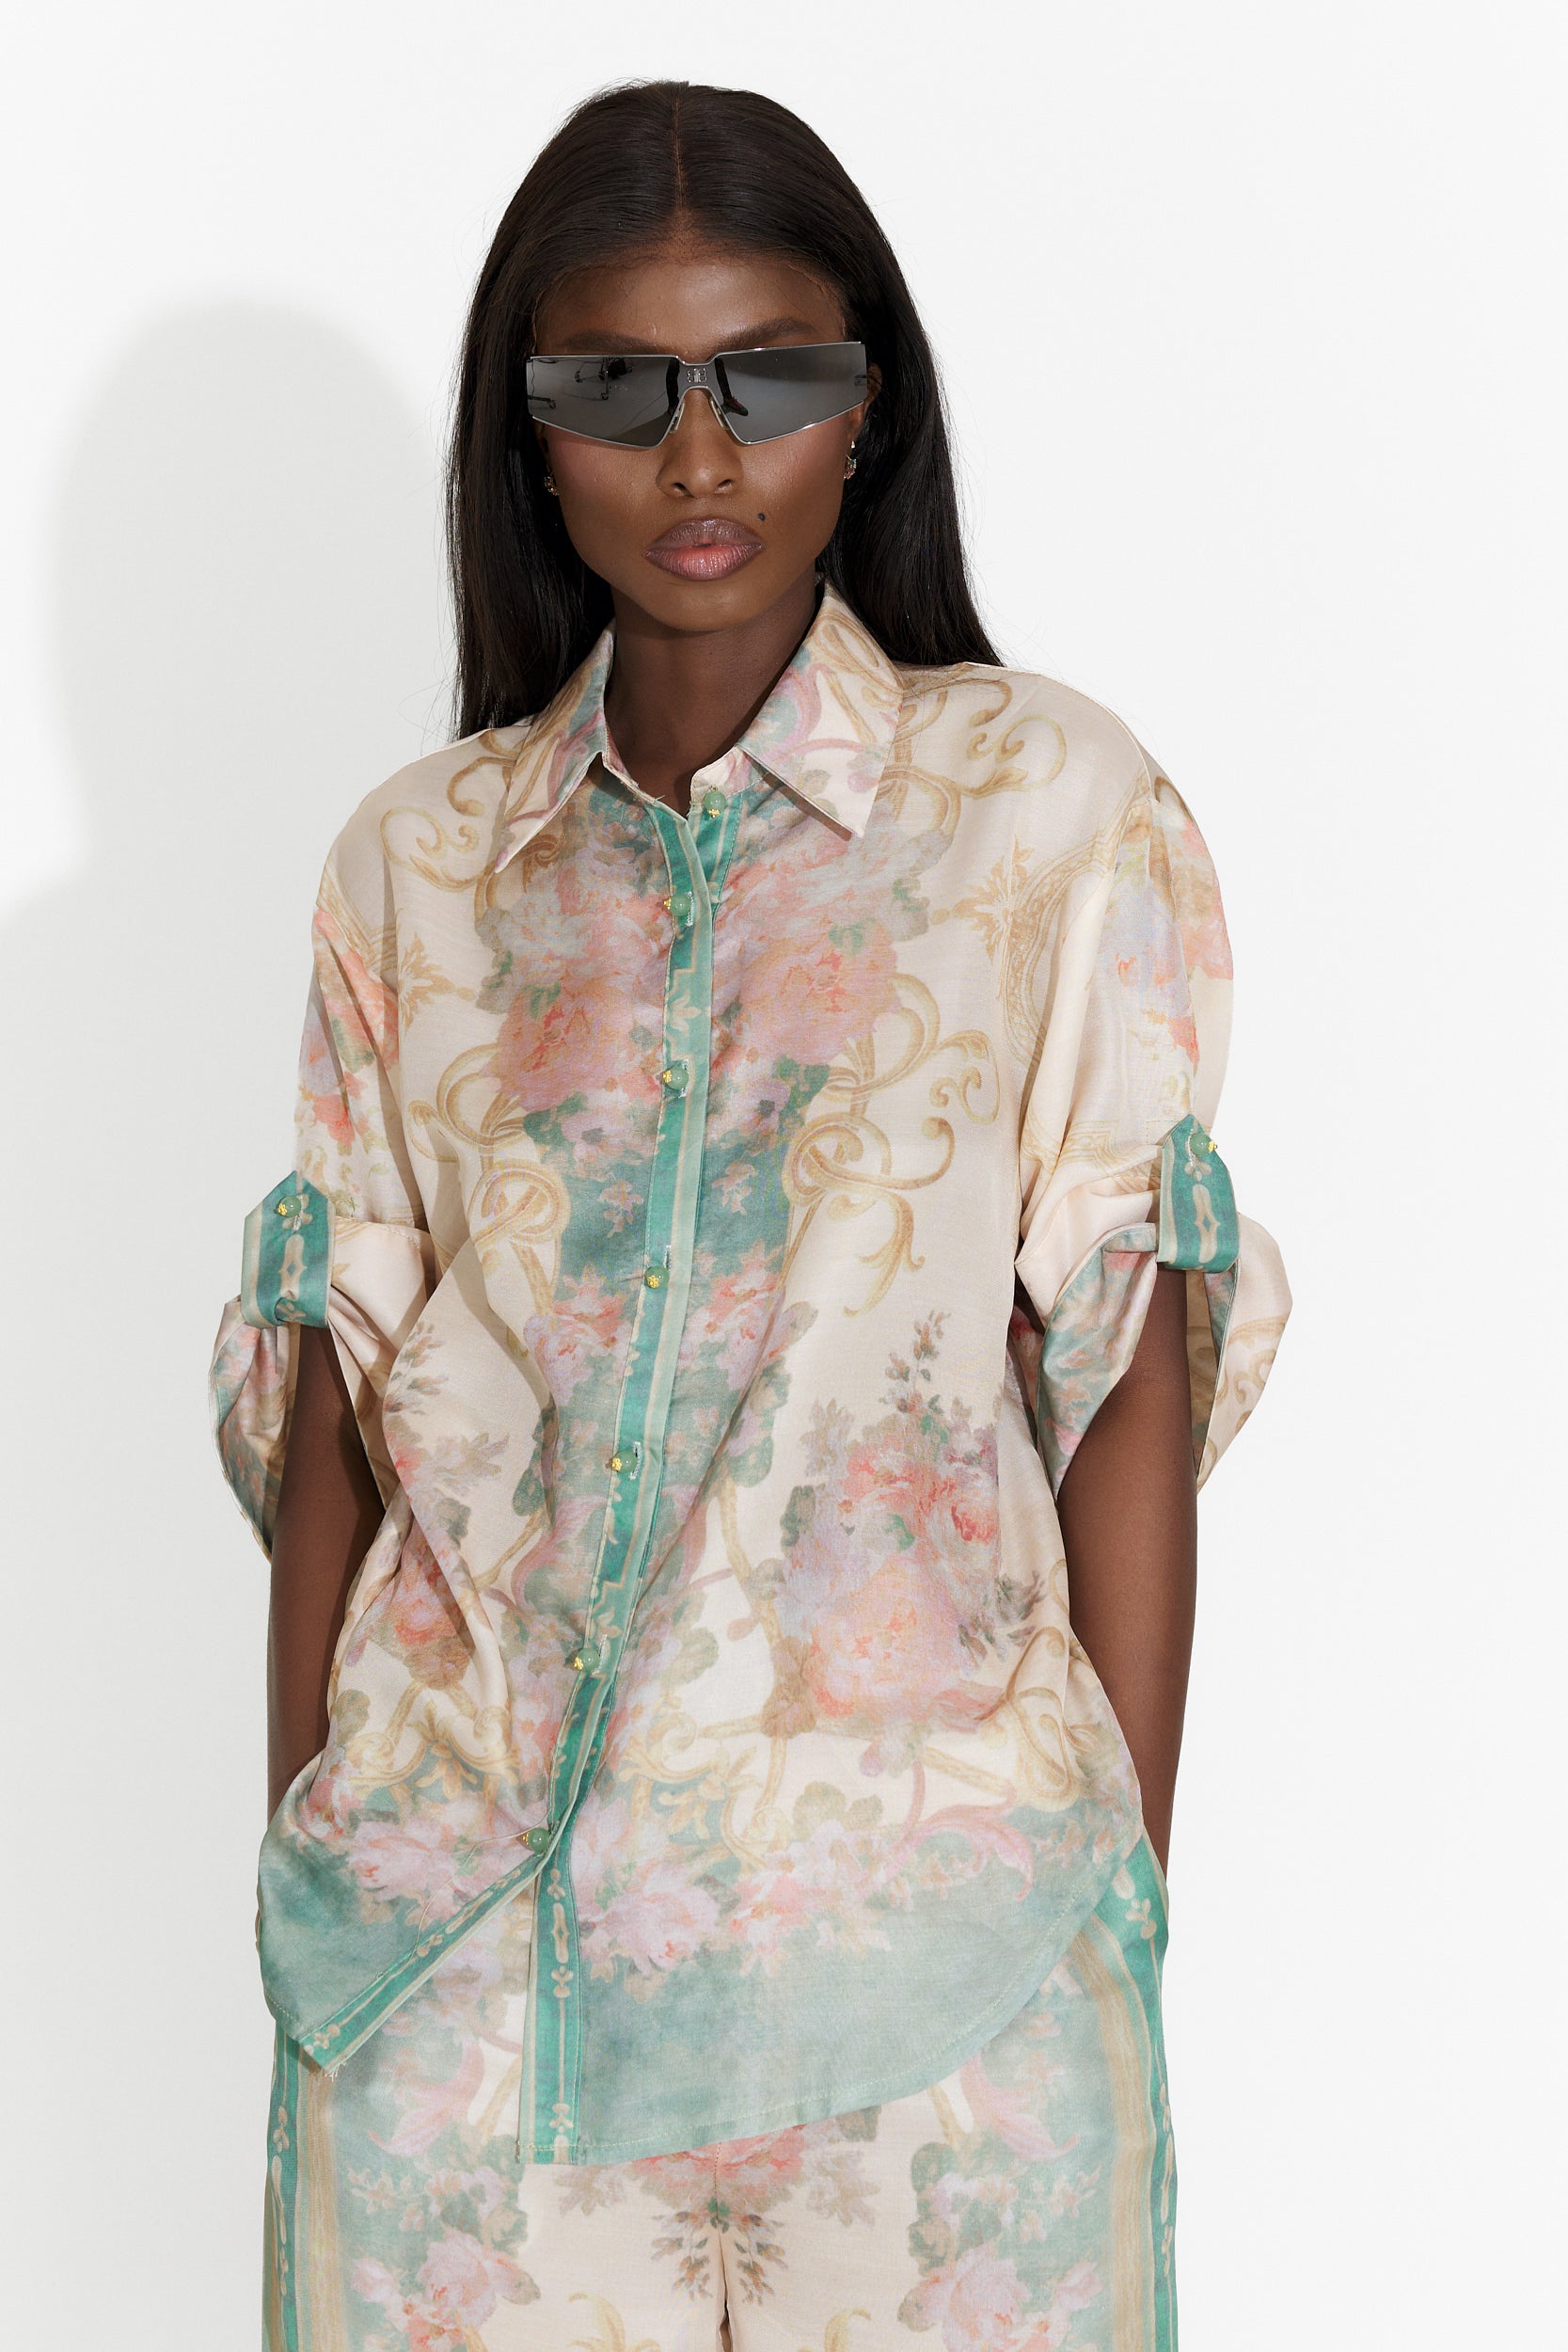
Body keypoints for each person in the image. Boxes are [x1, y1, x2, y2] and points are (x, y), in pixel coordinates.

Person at [211, 77, 1291, 2352]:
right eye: (618, 386)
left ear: (866, 407)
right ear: (529, 432)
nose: (699, 458)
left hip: (938, 1980)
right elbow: (335, 1401)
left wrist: (1109, 1890)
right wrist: (315, 1867)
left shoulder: (1048, 805)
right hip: (464, 1987)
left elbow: (1130, 1359)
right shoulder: (417, 863)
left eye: (769, 378)